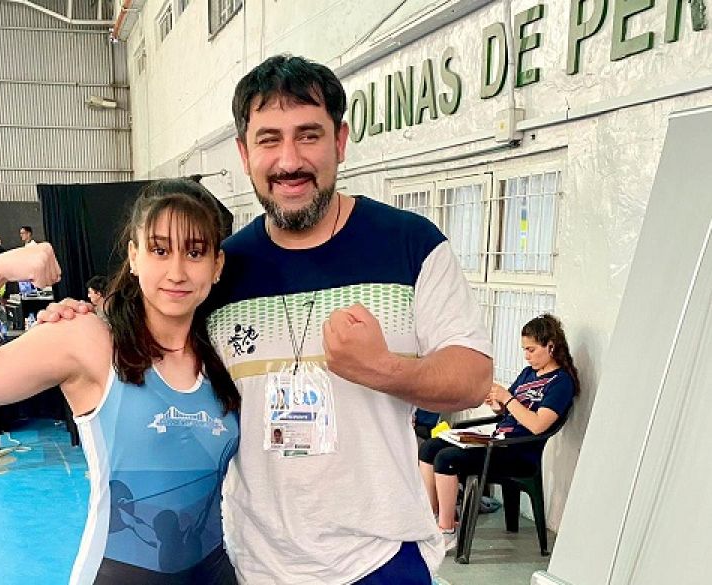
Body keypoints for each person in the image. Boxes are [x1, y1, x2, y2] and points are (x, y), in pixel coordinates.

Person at [38, 54, 492, 583]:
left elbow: (472, 378)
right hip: (255, 564)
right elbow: (151, 344)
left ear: (340, 141)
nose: (289, 160)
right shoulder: (220, 271)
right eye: (269, 139)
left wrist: (381, 368)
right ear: (243, 152)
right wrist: (78, 318)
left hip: (380, 559)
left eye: (308, 135)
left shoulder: (410, 246)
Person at [0, 179, 241, 585]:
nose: (177, 272)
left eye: (194, 252)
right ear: (134, 256)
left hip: (214, 574)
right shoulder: (89, 340)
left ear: (216, 265)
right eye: (160, 250)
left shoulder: (227, 350)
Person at [418, 314, 578, 551]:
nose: (527, 356)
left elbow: (537, 425)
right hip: (498, 439)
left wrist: (508, 398)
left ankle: (447, 530)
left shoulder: (561, 383)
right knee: (430, 447)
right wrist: (497, 403)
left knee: (446, 459)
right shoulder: (528, 373)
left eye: (532, 350)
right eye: (524, 350)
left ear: (551, 346)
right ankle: (431, 518)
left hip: (518, 451)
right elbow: (507, 408)